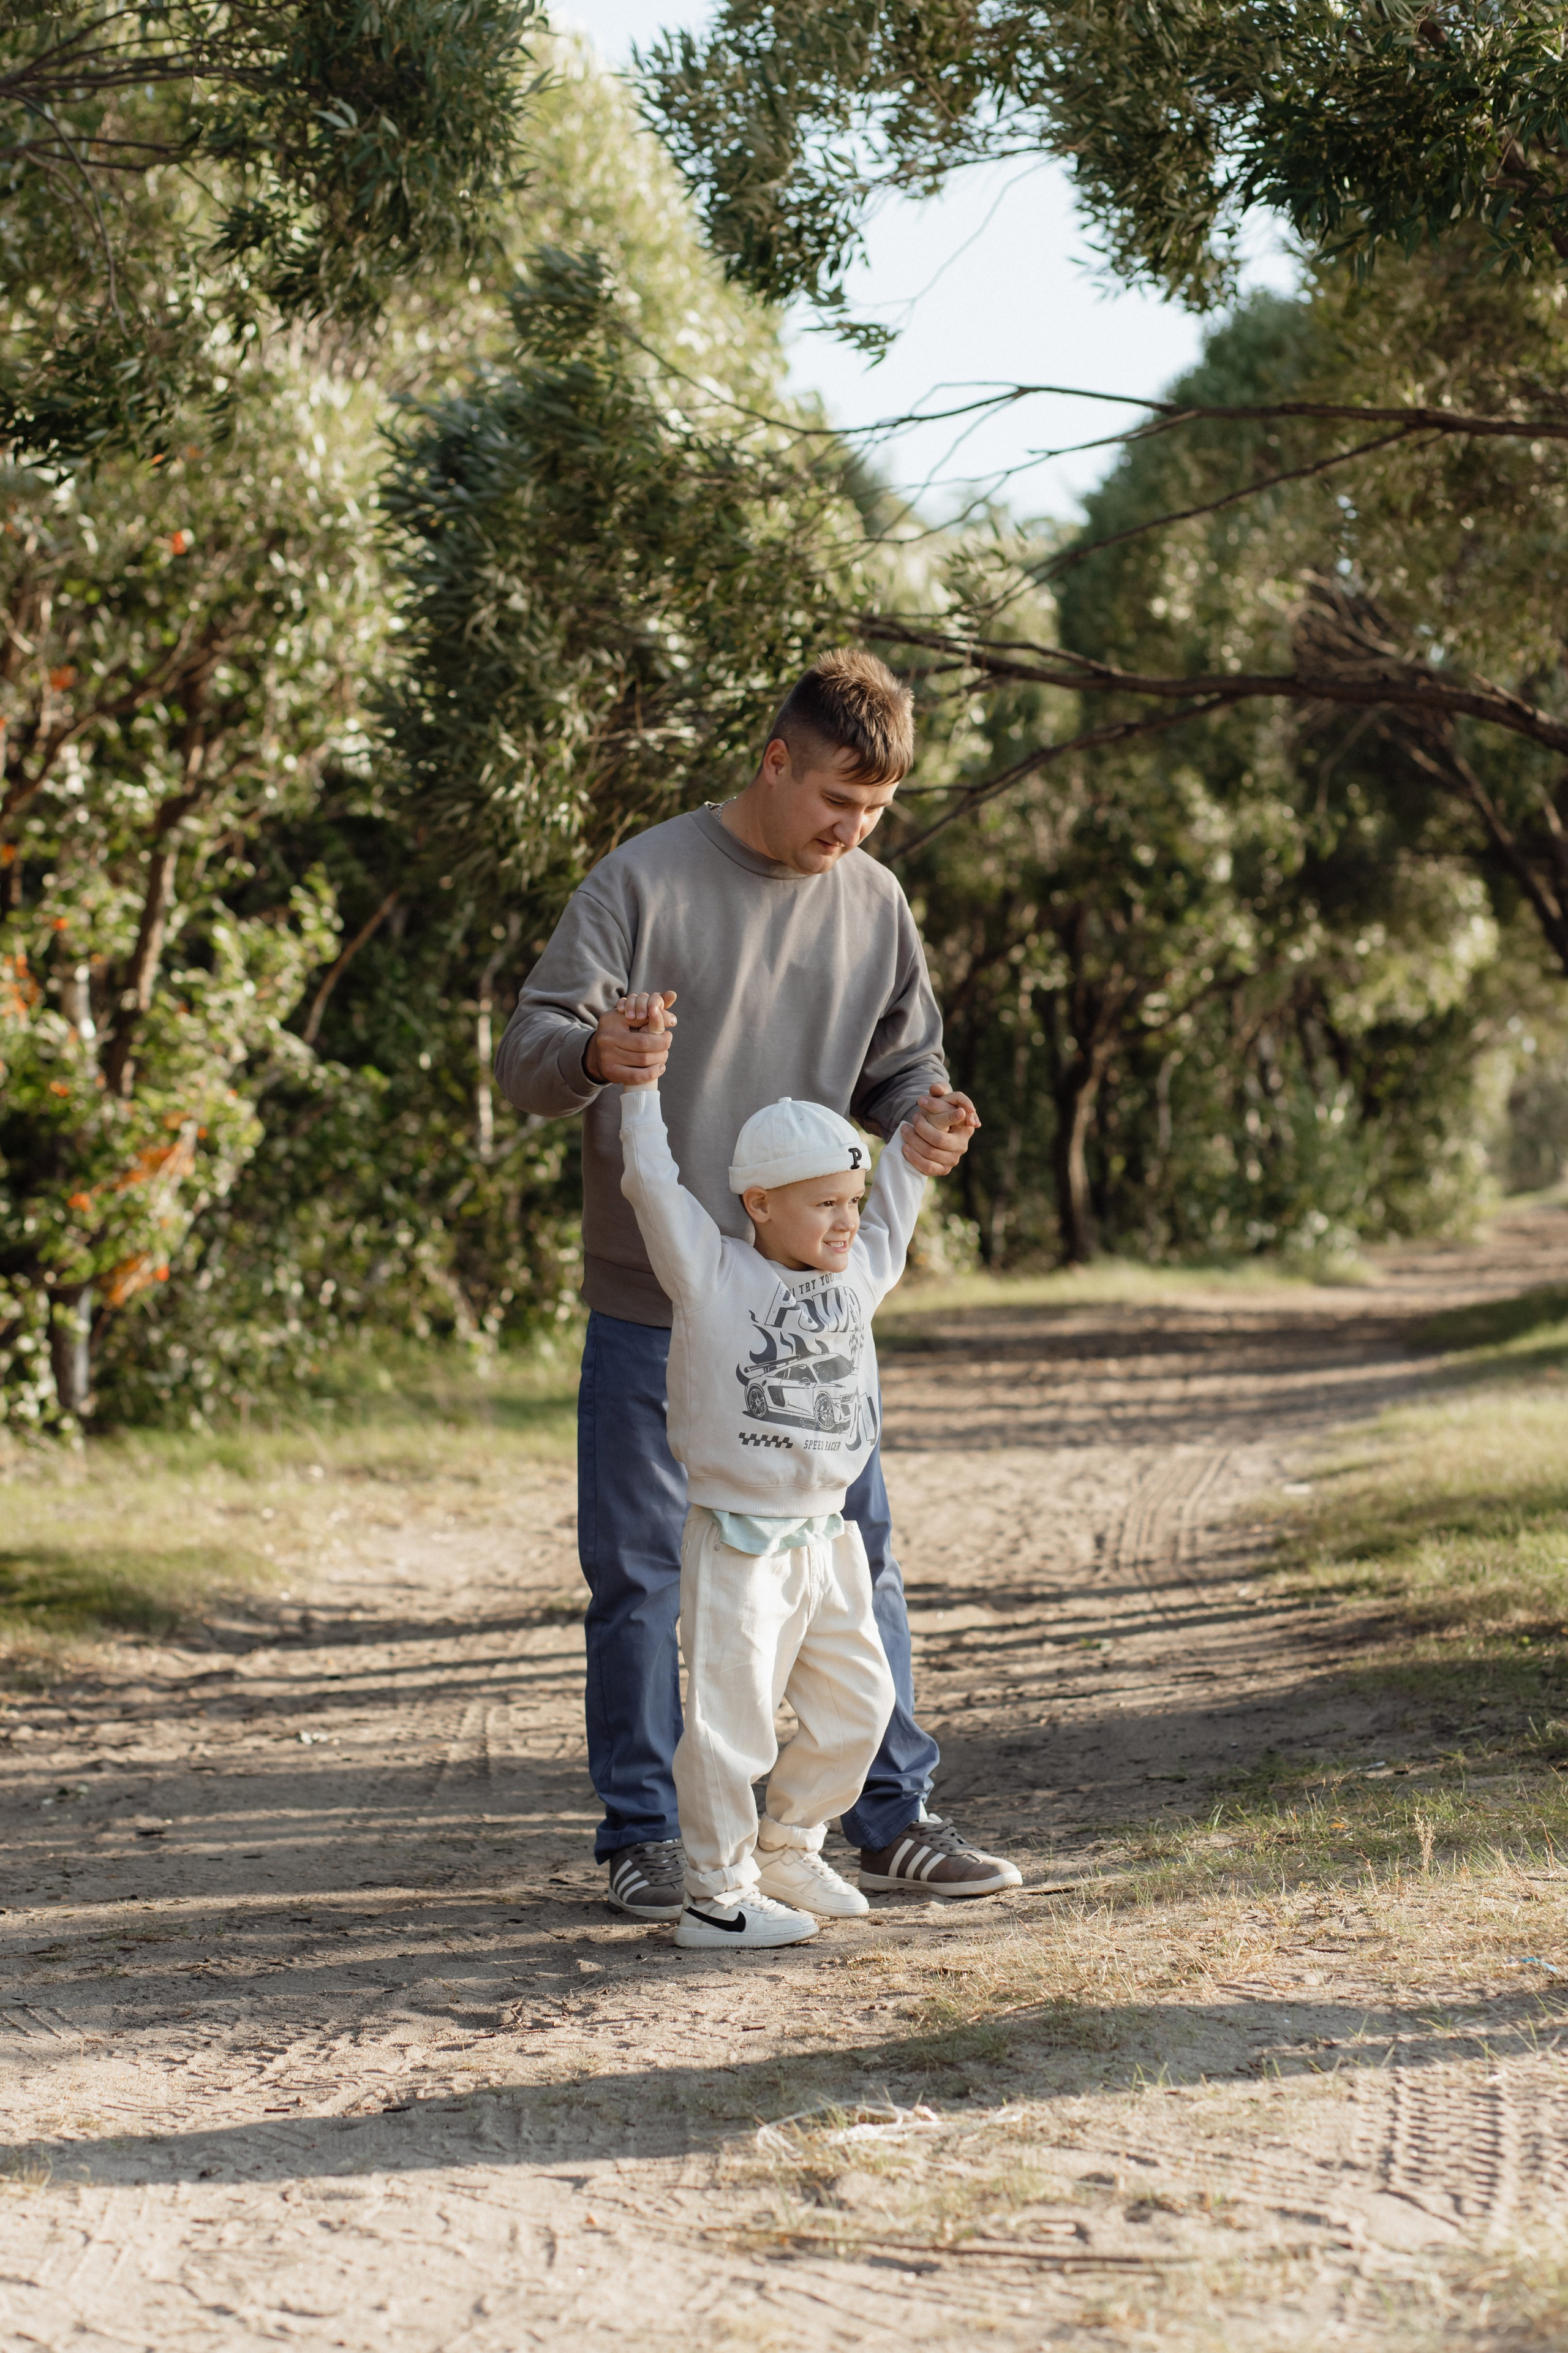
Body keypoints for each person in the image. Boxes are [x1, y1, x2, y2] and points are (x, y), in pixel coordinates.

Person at [495, 649, 1023, 1917]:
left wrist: (925, 1117)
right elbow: (529, 1054)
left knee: (860, 1555)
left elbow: (906, 1062)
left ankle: (887, 1818)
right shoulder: (641, 879)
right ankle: (645, 1837)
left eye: (876, 811)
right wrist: (597, 1047)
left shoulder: (875, 901)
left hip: (807, 1312)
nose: (853, 830)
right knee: (642, 1575)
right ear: (773, 759)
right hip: (655, 1300)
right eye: (837, 798)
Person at [619, 1027, 941, 1946]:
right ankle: (717, 1896)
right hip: (741, 1541)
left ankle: (792, 1841)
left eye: (852, 1199)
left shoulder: (861, 1272)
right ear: (758, 1203)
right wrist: (639, 1087)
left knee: (860, 1706)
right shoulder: (713, 1272)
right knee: (732, 1725)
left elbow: (902, 1197)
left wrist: (916, 1146)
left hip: (828, 1538)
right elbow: (650, 1182)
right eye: (824, 1205)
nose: (848, 1221)